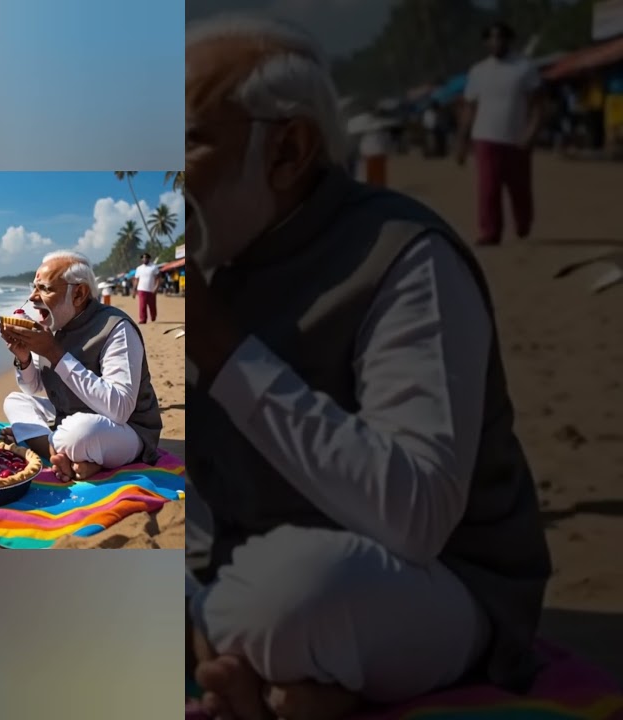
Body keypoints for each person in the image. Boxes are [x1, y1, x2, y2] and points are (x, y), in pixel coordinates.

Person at [184, 14, 550, 720]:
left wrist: (220, 346)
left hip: (429, 583)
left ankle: (237, 654)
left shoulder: (404, 257)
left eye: (187, 142)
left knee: (296, 595)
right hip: (242, 571)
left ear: (287, 150)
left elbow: (418, 515)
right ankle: (264, 674)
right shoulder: (216, 255)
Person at [0, 250, 163, 482]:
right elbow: (32, 388)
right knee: (15, 401)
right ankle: (64, 456)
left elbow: (120, 409)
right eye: (34, 287)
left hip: (126, 429)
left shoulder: (116, 327)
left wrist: (54, 353)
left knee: (81, 432)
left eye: (44, 289)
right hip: (69, 415)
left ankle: (44, 444)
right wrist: (23, 359)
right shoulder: (53, 324)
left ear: (78, 294)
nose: (33, 297)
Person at [455, 21, 543, 246]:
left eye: (501, 37)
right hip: (485, 137)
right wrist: (462, 141)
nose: (496, 42)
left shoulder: (524, 68)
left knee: (519, 188)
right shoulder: (478, 71)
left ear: (509, 40)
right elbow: (469, 108)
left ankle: (523, 223)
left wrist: (531, 132)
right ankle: (490, 232)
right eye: (491, 38)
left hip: (516, 139)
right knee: (488, 188)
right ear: (485, 42)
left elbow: (537, 105)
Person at [133, 252, 161, 323]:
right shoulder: (139, 268)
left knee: (152, 306)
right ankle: (143, 319)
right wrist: (134, 290)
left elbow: (158, 279)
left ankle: (153, 316)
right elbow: (136, 279)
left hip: (151, 290)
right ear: (141, 259)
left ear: (149, 259)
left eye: (146, 258)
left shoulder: (153, 267)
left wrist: (156, 287)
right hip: (141, 289)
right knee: (142, 305)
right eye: (143, 258)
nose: (144, 259)